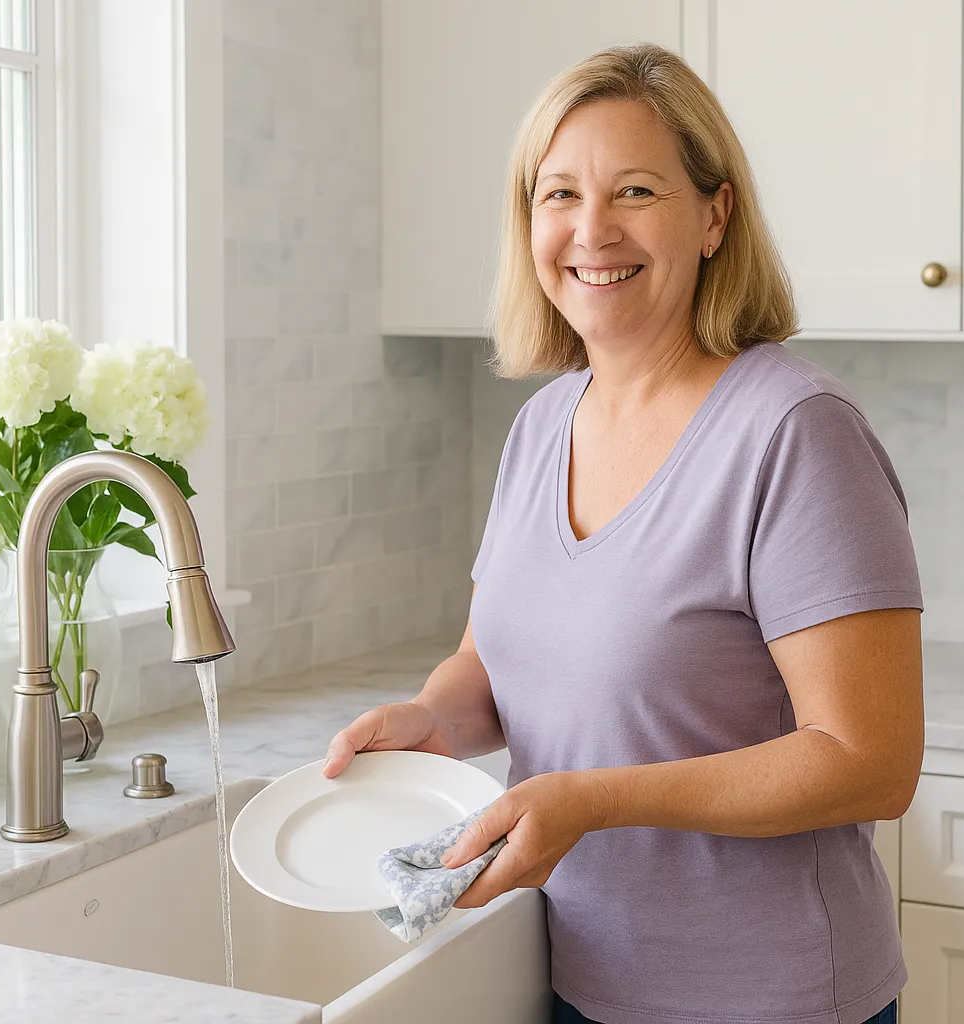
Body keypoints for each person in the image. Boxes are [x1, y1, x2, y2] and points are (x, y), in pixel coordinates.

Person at [323, 42, 923, 1024]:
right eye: (557, 194)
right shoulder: (541, 425)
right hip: (577, 975)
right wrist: (433, 718)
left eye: (634, 190)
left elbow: (870, 759)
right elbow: (494, 666)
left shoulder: (793, 432)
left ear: (713, 216)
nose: (590, 229)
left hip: (768, 1001)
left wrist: (594, 799)